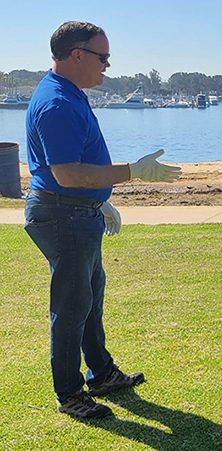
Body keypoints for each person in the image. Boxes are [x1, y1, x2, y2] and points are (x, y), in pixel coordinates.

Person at [24, 21, 182, 420]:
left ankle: (102, 374)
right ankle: (70, 395)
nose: (108, 66)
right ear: (76, 55)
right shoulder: (57, 102)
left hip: (78, 211)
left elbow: (74, 170)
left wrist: (100, 202)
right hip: (63, 214)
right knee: (73, 305)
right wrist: (132, 172)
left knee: (89, 298)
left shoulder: (70, 93)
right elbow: (68, 174)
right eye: (102, 57)